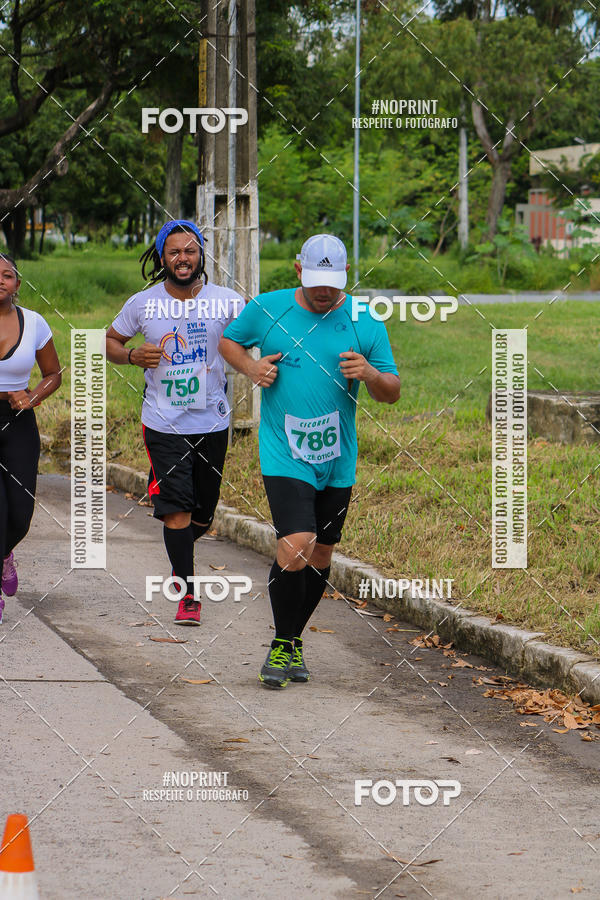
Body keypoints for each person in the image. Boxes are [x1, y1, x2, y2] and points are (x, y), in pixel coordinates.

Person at [219, 233, 400, 687]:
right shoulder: (268, 308)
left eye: (332, 284)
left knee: (321, 552)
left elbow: (392, 392)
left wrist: (370, 374)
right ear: (298, 270)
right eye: (316, 281)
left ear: (346, 275)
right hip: (284, 451)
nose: (324, 292)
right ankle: (282, 644)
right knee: (297, 542)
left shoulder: (364, 319)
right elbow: (229, 342)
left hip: (337, 457)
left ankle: (294, 638)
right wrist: (251, 368)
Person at [106, 221, 244, 626]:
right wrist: (132, 356)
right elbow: (109, 341)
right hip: (163, 423)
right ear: (162, 257)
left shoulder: (227, 302)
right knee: (177, 511)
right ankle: (187, 592)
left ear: (201, 255)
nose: (182, 258)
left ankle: (179, 551)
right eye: (174, 252)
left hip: (213, 421)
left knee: (202, 516)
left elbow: (258, 335)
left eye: (190, 251)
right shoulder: (143, 304)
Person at [0, 254, 62, 624]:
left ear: (17, 284)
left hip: (19, 421)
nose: (0, 280)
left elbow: (53, 373)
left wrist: (32, 397)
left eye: (6, 275)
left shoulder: (35, 323)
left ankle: (5, 554)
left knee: (21, 514)